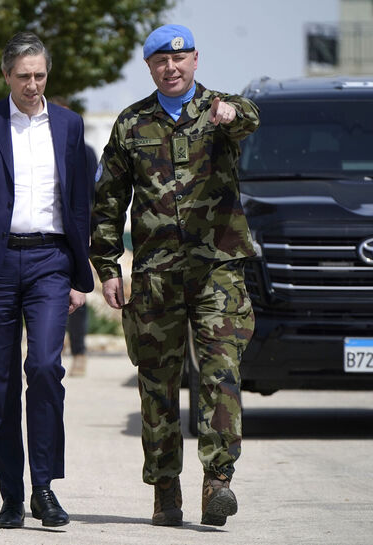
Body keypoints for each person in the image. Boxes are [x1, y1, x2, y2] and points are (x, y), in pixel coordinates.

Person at [89, 24, 259, 528]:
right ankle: (165, 488)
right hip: (156, 276)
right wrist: (106, 267)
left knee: (220, 373)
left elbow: (249, 118)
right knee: (156, 383)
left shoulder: (222, 110)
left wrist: (231, 113)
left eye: (180, 59)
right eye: (161, 60)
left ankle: (218, 481)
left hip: (218, 271)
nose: (172, 67)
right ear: (150, 67)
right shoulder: (131, 124)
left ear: (196, 61)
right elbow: (108, 203)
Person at [0, 31, 94, 530]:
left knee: (46, 366)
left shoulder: (70, 126)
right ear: (7, 75)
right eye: (24, 75)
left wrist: (81, 272)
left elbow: (80, 205)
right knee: (1, 381)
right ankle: (11, 496)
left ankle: (45, 488)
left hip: (51, 260)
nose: (33, 84)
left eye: (40, 75)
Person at [47, 96, 98, 377]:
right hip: (44, 235)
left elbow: (92, 196)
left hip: (77, 235)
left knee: (77, 293)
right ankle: (51, 348)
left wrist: (89, 236)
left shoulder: (85, 152)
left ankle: (79, 351)